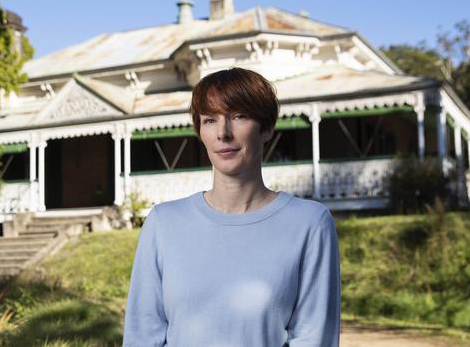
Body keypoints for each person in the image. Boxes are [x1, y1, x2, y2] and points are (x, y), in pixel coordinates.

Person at [123, 67, 340, 346]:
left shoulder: (309, 223)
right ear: (200, 131)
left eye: (239, 116)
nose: (223, 133)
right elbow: (142, 337)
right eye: (210, 120)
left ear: (266, 128)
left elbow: (314, 338)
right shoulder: (163, 223)